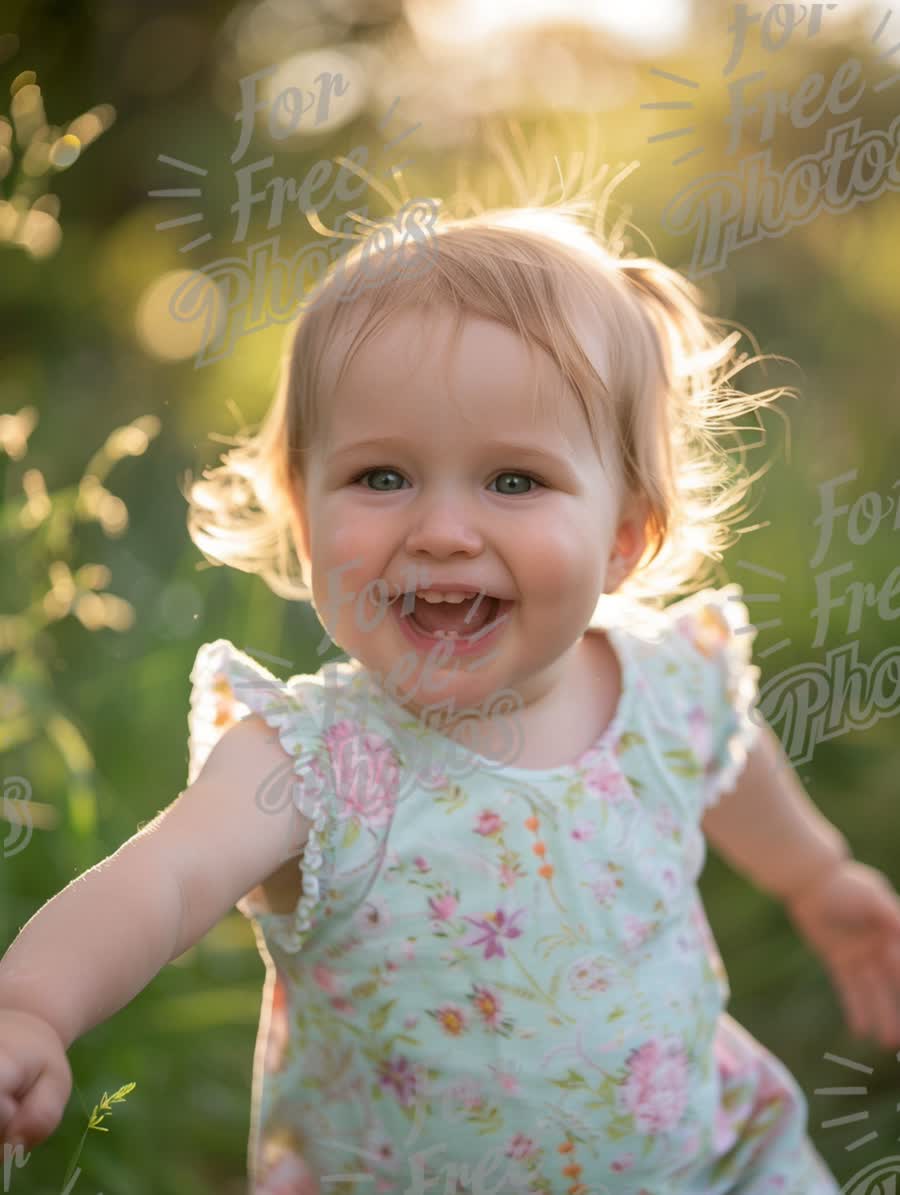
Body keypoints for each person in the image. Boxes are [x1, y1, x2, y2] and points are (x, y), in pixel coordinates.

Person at [2, 187, 900, 1195]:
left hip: (705, 1160)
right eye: (382, 476)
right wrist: (34, 1004)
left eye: (513, 480)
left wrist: (819, 877)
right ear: (304, 514)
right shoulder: (311, 759)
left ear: (623, 535)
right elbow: (163, 881)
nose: (440, 529)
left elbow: (732, 769)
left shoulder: (663, 679)